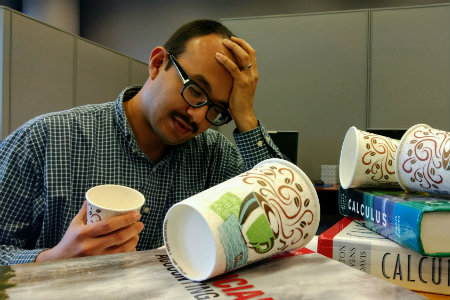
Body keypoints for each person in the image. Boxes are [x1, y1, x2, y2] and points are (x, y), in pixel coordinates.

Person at [0, 19, 285, 265]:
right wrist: (53, 259)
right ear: (157, 63)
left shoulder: (215, 157)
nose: (198, 116)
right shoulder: (45, 139)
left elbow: (281, 226)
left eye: (217, 110)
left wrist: (245, 115)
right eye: (195, 90)